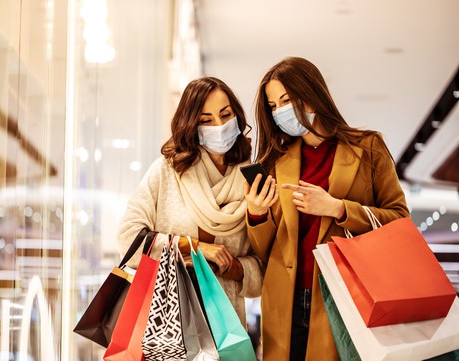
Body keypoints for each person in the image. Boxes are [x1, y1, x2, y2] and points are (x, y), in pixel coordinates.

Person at [244, 57, 409, 361]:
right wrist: (256, 215)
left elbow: (399, 220)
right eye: (273, 105)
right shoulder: (276, 161)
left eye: (286, 99)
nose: (280, 110)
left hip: (345, 295)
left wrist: (338, 208)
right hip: (285, 300)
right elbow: (267, 250)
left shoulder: (368, 147)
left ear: (310, 92)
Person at [117, 76, 264, 323]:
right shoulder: (168, 172)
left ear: (237, 116)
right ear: (192, 126)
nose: (219, 126)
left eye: (226, 115)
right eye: (206, 121)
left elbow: (264, 268)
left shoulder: (252, 180)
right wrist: (196, 248)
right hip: (166, 323)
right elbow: (128, 240)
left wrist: (229, 267)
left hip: (225, 326)